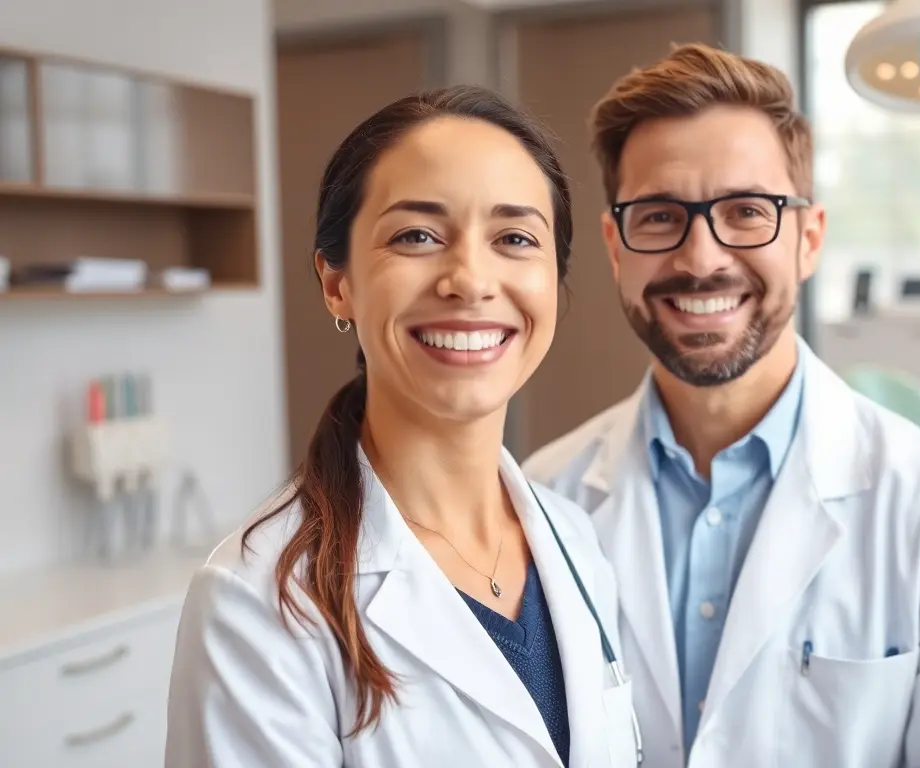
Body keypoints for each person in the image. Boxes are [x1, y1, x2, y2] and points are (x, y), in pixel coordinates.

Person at [523, 43, 920, 767]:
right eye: (659, 215)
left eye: (745, 212)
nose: (702, 257)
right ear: (616, 247)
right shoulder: (542, 503)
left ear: (809, 238)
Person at [166, 86, 640, 768]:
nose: (470, 280)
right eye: (416, 235)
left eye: (515, 238)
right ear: (338, 283)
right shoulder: (259, 601)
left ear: (553, 281)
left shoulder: (573, 541)